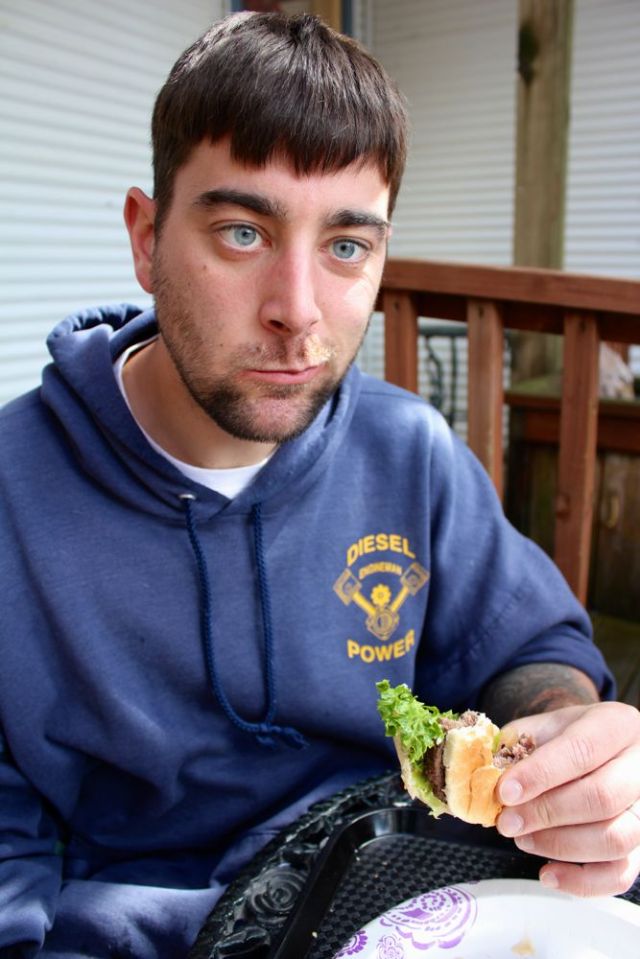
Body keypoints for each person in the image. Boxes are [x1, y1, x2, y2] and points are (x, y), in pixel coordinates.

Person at [0, 10, 638, 958]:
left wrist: (565, 733)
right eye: (242, 231)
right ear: (146, 239)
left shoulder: (409, 450)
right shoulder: (15, 495)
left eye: (346, 246)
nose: (298, 312)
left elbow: (529, 645)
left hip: (405, 895)